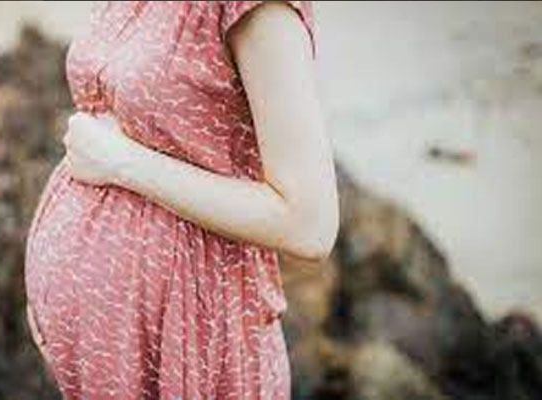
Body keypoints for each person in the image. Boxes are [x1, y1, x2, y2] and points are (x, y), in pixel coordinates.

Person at [24, 1, 339, 399]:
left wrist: (123, 164)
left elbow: (309, 225)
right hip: (100, 350)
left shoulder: (254, 8)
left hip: (190, 342)